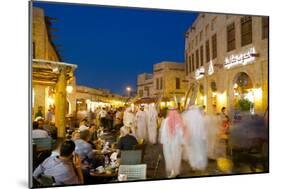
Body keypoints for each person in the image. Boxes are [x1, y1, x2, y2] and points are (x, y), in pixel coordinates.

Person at [159, 108, 185, 178]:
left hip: (167, 143)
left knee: (169, 157)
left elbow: (163, 133)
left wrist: (162, 141)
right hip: (176, 144)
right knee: (176, 157)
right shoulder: (179, 121)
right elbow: (181, 133)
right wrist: (182, 142)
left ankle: (171, 171)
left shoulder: (165, 121)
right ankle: (176, 171)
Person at [182, 105, 208, 171]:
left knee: (191, 151)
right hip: (198, 138)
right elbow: (203, 128)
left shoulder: (187, 116)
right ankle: (198, 163)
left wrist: (184, 137)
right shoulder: (200, 117)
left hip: (190, 137)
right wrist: (204, 136)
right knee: (199, 150)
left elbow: (184, 127)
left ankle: (193, 165)